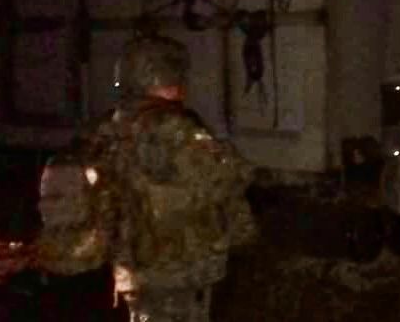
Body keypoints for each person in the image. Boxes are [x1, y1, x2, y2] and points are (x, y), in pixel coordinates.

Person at [36, 33, 258, 322]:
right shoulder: (174, 128)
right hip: (179, 273)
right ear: (168, 76)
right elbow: (231, 175)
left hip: (134, 271)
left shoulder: (107, 130)